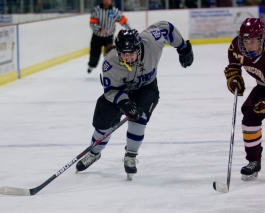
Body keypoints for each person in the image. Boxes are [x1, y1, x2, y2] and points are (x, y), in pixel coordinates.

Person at [76, 21, 193, 180]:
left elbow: (167, 28)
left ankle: (130, 155)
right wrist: (124, 103)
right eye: (123, 53)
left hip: (146, 87)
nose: (128, 57)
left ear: (139, 48)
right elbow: (111, 91)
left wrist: (183, 48)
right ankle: (94, 153)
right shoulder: (110, 63)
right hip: (120, 91)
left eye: (131, 53)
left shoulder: (151, 41)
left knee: (140, 117)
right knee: (103, 122)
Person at [224, 18, 265, 180]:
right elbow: (234, 59)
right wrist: (234, 75)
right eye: (245, 41)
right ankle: (254, 161)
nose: (249, 46)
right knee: (250, 117)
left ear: (262, 39)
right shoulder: (237, 46)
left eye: (253, 41)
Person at [88, 0, 131, 74]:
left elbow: (123, 20)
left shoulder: (115, 11)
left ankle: (109, 68)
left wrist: (129, 29)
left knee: (109, 54)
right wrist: (99, 29)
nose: (107, 1)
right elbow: (92, 23)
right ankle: (91, 65)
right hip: (97, 36)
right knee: (94, 53)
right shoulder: (97, 10)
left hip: (108, 37)